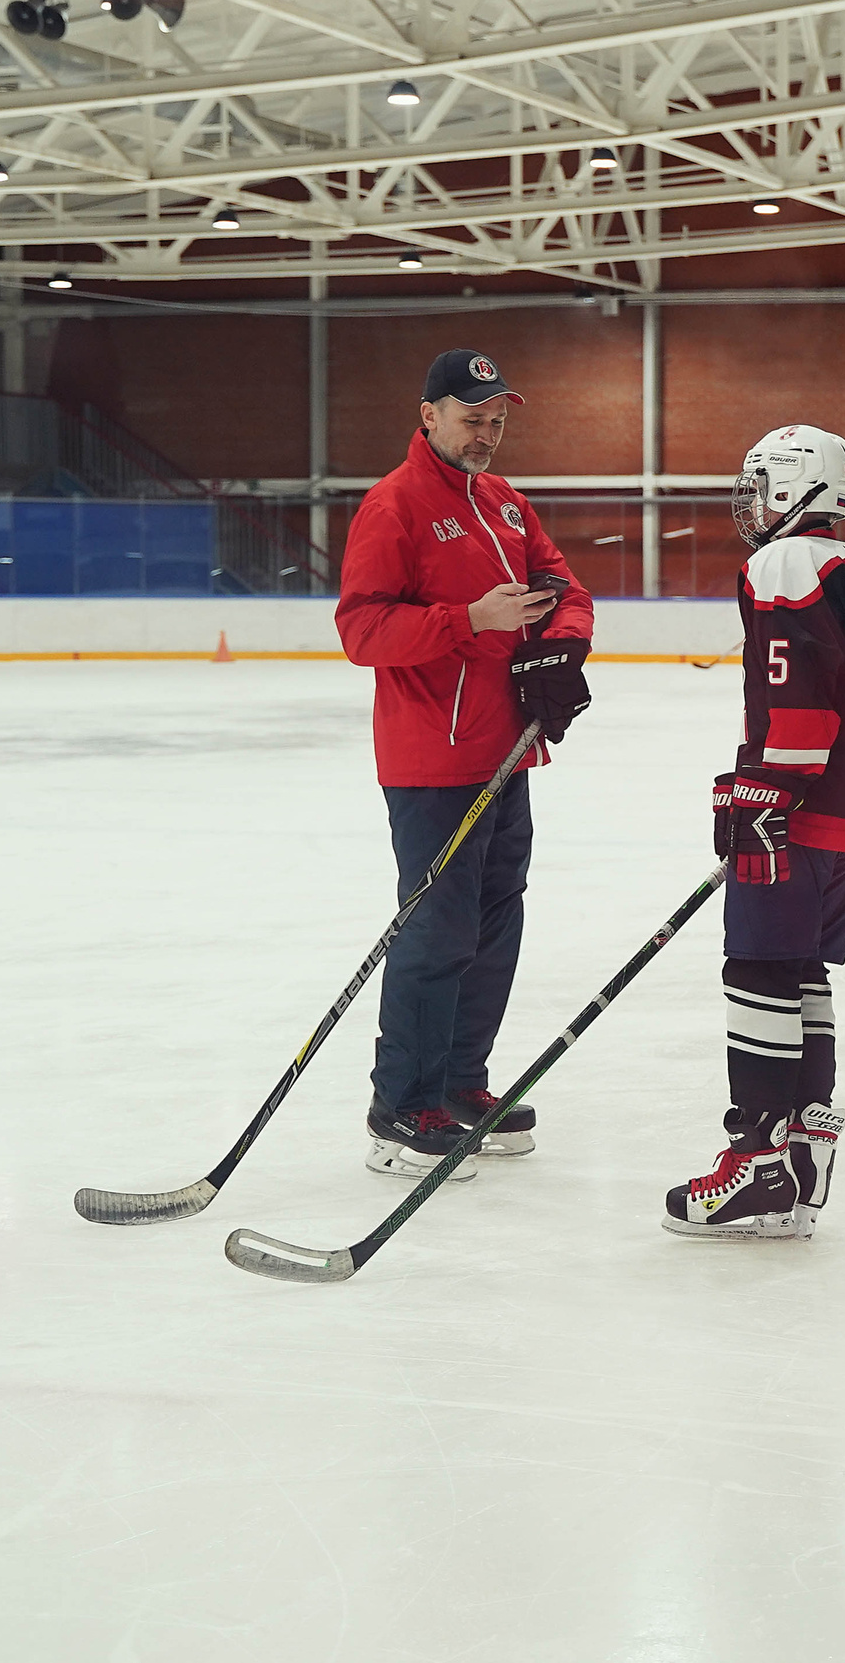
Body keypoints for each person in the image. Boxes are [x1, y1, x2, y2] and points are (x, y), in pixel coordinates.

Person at [335, 348, 595, 1180]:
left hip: (508, 752)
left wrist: (561, 647)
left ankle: (457, 1083)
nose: (486, 433)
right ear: (429, 416)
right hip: (431, 760)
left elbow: (567, 589)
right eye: (471, 418)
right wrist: (467, 619)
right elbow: (361, 630)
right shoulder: (394, 505)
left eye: (496, 420)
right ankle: (400, 1105)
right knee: (438, 930)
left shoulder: (506, 502)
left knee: (492, 924)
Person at [664, 424, 845, 1240]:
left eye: (764, 484)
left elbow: (800, 691)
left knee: (758, 967)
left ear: (798, 487)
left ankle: (757, 1165)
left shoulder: (786, 562)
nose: (754, 501)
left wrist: (767, 790)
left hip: (802, 807)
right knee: (798, 967)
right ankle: (804, 1147)